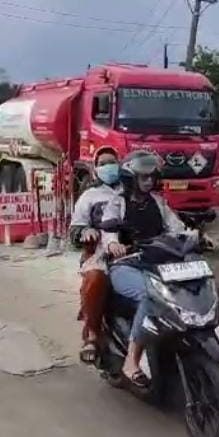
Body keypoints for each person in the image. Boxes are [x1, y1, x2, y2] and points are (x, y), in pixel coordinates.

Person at [98, 150, 186, 387]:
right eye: (143, 177)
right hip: (125, 266)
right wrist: (114, 243)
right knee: (151, 296)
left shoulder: (158, 203)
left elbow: (176, 227)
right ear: (130, 178)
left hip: (158, 265)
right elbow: (108, 231)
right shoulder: (118, 202)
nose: (149, 181)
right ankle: (131, 361)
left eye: (152, 177)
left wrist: (193, 237)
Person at [68, 150, 121, 364]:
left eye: (112, 162)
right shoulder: (89, 196)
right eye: (103, 163)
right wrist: (84, 233)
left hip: (131, 250)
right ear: (96, 168)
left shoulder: (130, 191)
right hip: (99, 253)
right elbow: (74, 230)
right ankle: (91, 333)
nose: (109, 166)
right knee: (96, 278)